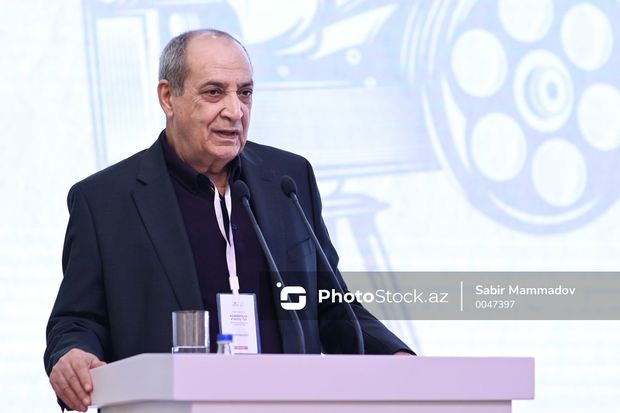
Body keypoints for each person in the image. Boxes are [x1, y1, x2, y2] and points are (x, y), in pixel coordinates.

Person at [44, 29, 412, 412]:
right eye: (214, 92)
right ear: (168, 97)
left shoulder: (288, 180)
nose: (235, 111)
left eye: (245, 93)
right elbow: (77, 319)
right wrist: (73, 354)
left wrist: (395, 357)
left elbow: (331, 305)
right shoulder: (105, 200)